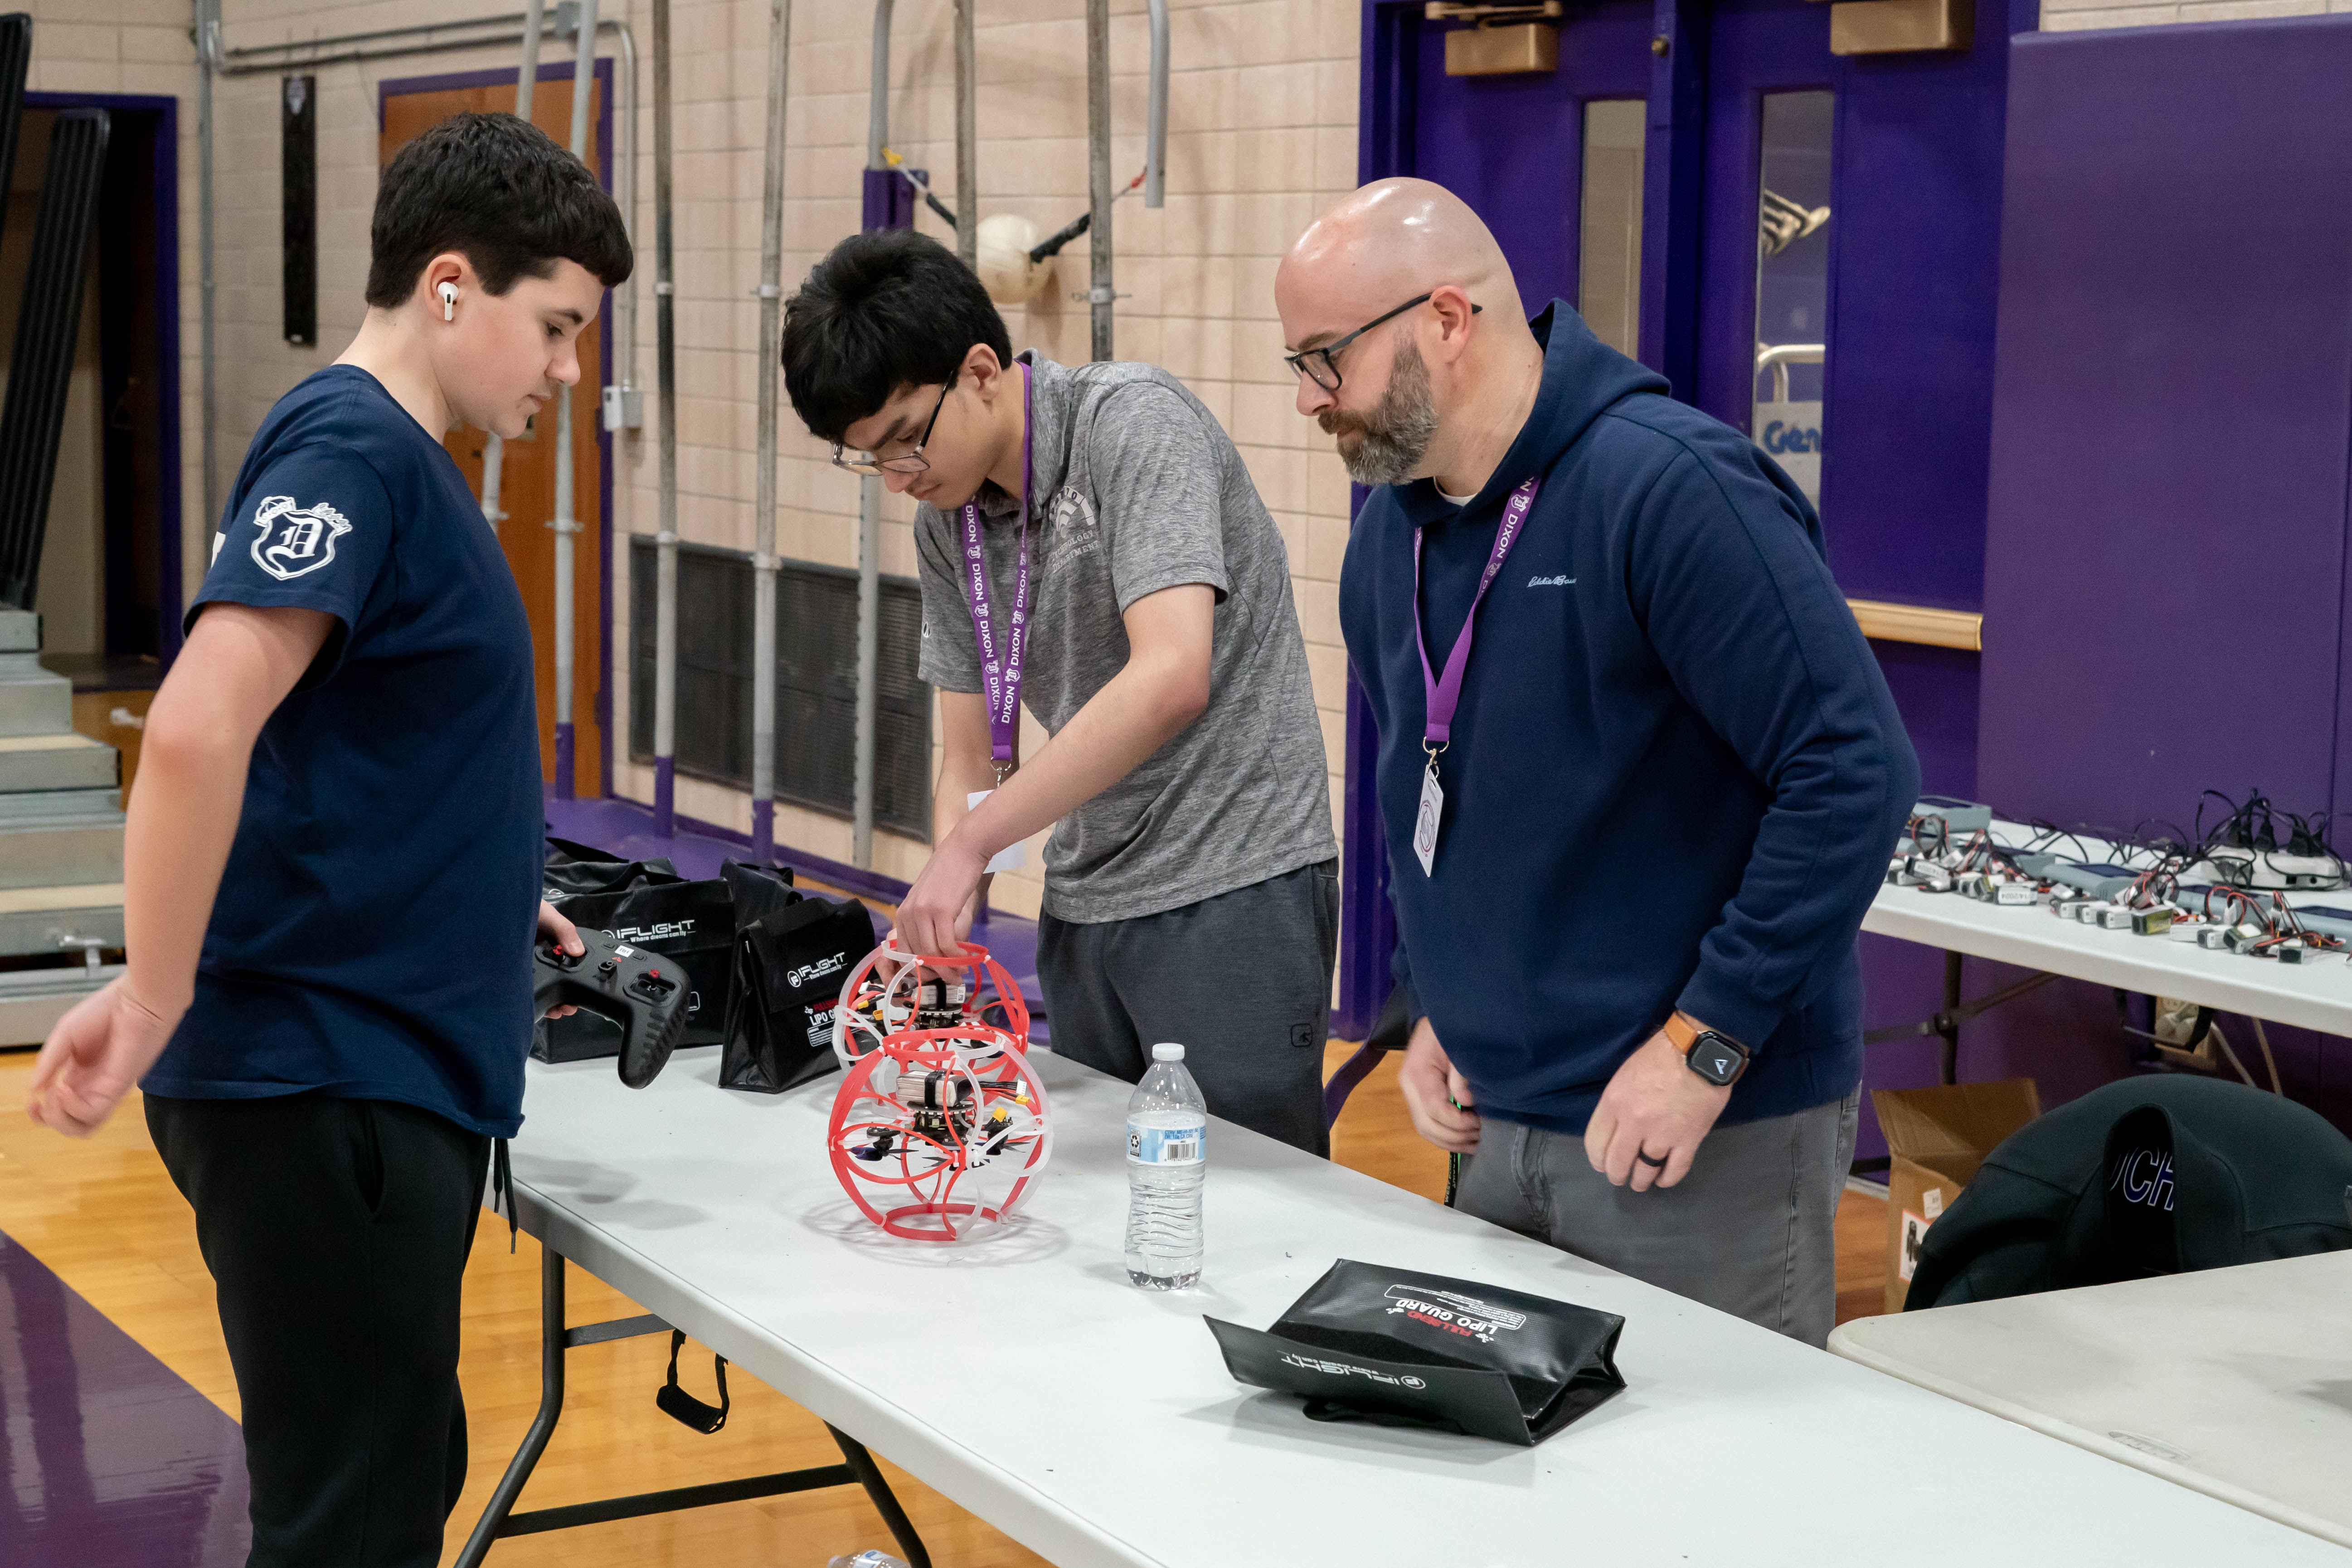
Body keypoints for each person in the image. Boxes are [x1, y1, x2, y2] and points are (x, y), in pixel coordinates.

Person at [25, 113, 627, 1564]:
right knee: (351, 1521)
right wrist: (155, 992)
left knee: (392, 1475)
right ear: (446, 286)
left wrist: (490, 893)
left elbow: (351, 750)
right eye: (553, 327)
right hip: (325, 1083)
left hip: (361, 1060)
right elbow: (193, 726)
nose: (565, 370)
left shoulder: (394, 463)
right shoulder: (353, 447)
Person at [1275, 179, 1917, 1345]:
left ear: (1446, 321)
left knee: (1696, 1505)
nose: (1312, 400)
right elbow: (1432, 786)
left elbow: (1851, 771)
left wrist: (1702, 1045)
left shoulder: (1668, 488)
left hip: (1690, 1123)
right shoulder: (1388, 531)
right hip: (1495, 1117)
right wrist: (1432, 1003)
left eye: (1328, 359)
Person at [780, 229, 1340, 1155]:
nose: (898, 478)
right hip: (1086, 899)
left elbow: (1171, 675)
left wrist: (974, 840)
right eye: (867, 460)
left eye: (903, 441)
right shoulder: (945, 522)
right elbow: (968, 750)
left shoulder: (1132, 424)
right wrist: (953, 908)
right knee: (1101, 1224)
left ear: (981, 371)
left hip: (1230, 886)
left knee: (1246, 1213)